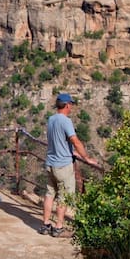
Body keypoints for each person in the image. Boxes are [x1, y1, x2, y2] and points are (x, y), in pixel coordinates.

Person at [40, 92, 99, 237]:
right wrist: (86, 157)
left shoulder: (51, 119)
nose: (71, 107)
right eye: (71, 104)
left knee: (49, 194)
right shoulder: (66, 121)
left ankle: (45, 224)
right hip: (63, 166)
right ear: (67, 105)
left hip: (50, 163)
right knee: (64, 197)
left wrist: (72, 152)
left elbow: (58, 140)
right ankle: (59, 227)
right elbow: (75, 140)